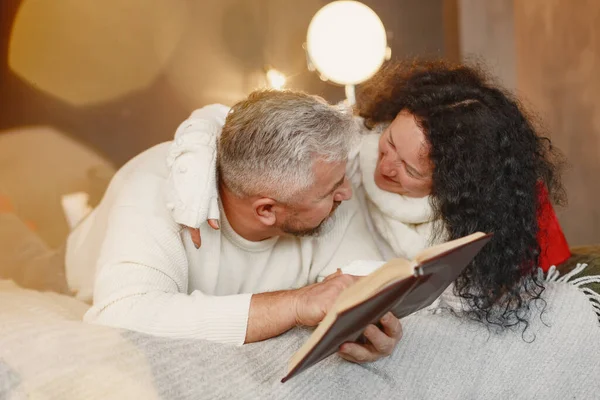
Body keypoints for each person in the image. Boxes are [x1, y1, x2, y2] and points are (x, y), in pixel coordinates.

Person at [177, 60, 566, 330]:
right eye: (391, 141)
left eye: (411, 170)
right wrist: (194, 167)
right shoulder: (353, 135)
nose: (386, 165)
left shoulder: (461, 223)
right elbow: (225, 118)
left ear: (451, 187)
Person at [65, 90, 402, 364]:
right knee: (30, 255)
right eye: (333, 190)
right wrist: (294, 304)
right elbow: (120, 313)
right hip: (79, 259)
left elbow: (364, 279)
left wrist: (372, 327)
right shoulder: (154, 192)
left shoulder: (326, 196)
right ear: (266, 210)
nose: (347, 192)